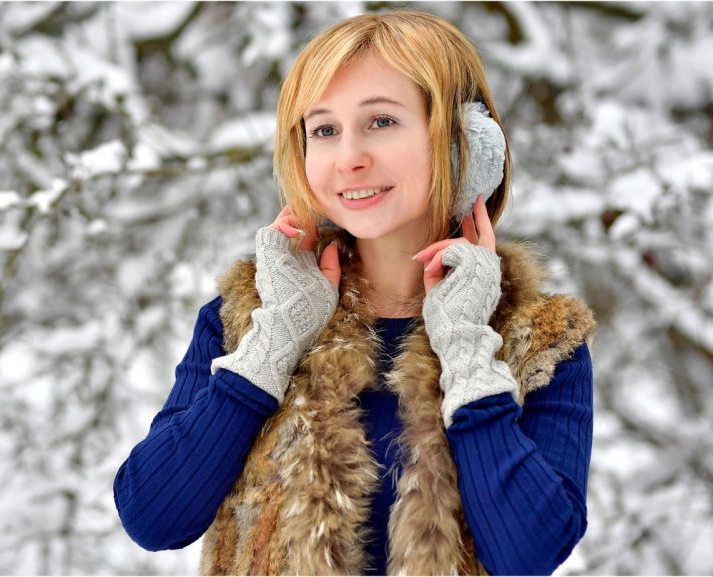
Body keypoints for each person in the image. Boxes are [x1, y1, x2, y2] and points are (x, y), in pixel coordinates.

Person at [114, 9, 595, 576]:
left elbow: (528, 554)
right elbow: (154, 518)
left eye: (382, 122)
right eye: (324, 130)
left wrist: (466, 344)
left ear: (469, 143)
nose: (348, 157)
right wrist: (276, 341)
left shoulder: (536, 340)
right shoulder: (245, 319)